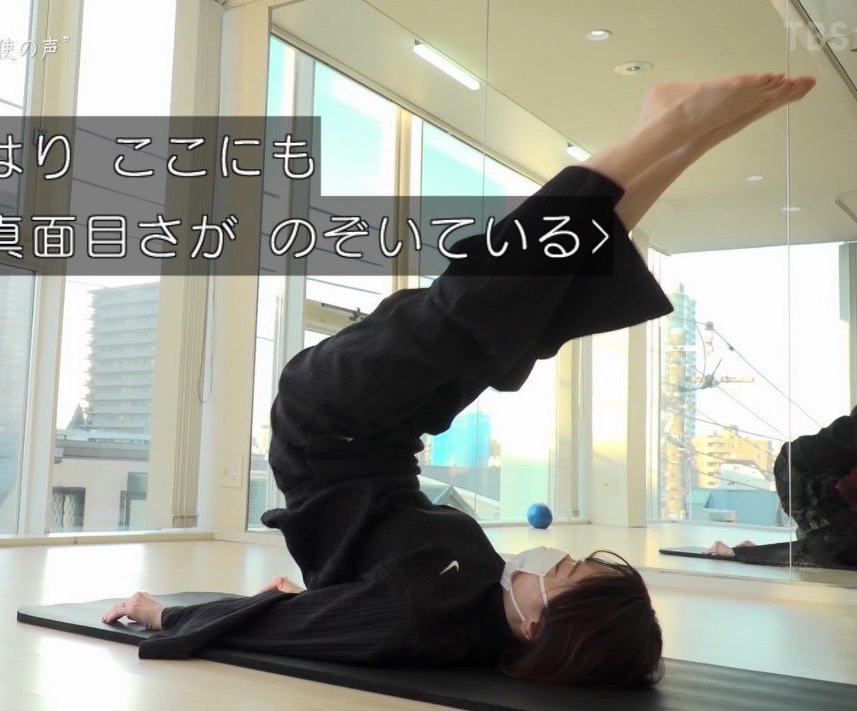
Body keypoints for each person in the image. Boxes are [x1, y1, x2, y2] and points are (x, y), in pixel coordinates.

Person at [102, 74, 817, 688]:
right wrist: (314, 589)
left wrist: (163, 613)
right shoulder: (485, 605)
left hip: (325, 423)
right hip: (387, 439)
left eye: (563, 570)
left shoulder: (419, 616)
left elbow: (293, 629)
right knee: (529, 324)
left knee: (467, 316)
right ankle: (682, 144)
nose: (554, 556)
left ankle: (663, 131)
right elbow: (322, 603)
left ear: (536, 624)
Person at [707, 389, 857, 566]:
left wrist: (753, 554)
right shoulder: (844, 467)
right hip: (848, 538)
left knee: (797, 461)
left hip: (849, 539)